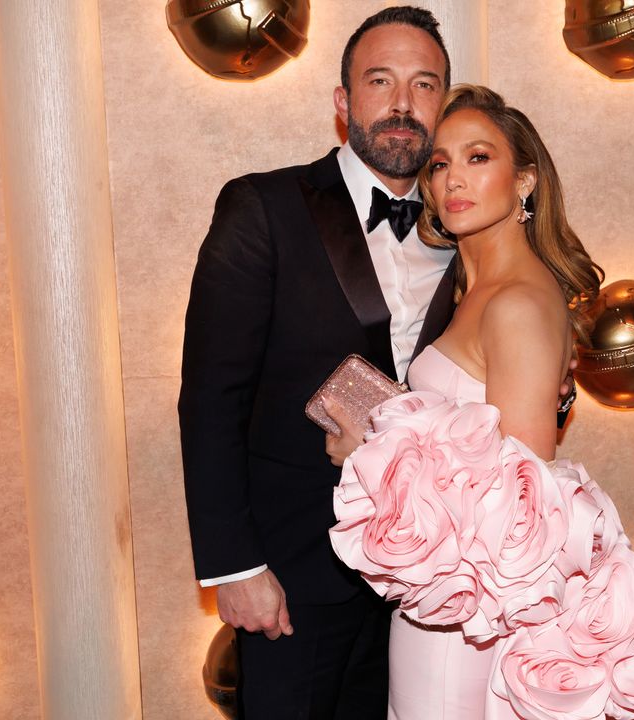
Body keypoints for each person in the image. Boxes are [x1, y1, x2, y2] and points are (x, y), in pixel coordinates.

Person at [327, 86, 634, 719]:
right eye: (439, 164)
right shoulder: (481, 288)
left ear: (525, 180)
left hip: (467, 619)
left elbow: (523, 505)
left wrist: (373, 455)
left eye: (478, 157)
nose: (453, 180)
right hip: (451, 604)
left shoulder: (516, 302)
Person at [178, 7, 455, 719]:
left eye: (424, 85)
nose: (402, 104)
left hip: (424, 587)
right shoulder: (263, 207)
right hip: (292, 579)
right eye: (380, 81)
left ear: (443, 105)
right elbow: (212, 398)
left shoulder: (468, 228)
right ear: (343, 103)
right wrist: (236, 567)